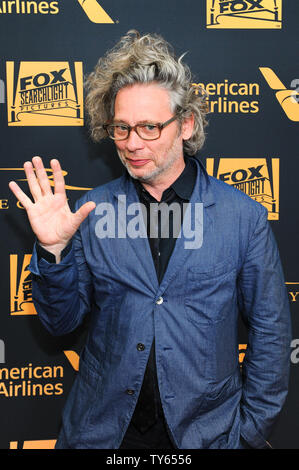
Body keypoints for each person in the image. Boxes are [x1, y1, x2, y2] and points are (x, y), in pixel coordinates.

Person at [9, 30, 291, 450]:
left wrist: (247, 434)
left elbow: (271, 332)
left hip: (206, 436)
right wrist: (53, 251)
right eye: (121, 128)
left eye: (149, 127)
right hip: (103, 434)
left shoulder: (242, 217)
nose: (132, 143)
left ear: (186, 124)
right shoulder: (92, 211)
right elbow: (59, 324)